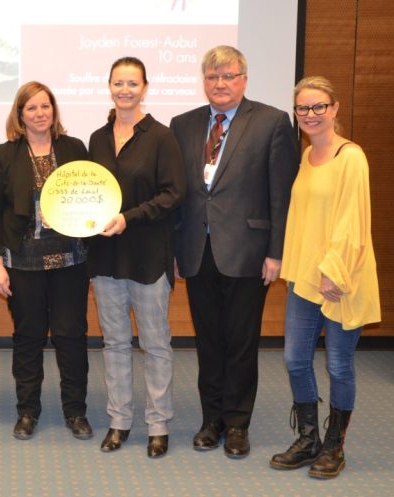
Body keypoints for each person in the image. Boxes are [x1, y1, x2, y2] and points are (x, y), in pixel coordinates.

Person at [169, 45, 298, 458]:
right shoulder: (183, 124)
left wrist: (276, 252)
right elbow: (177, 194)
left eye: (228, 76)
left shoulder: (271, 122)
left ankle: (238, 423)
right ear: (203, 81)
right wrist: (175, 249)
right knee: (208, 341)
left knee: (241, 341)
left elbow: (281, 194)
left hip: (249, 251)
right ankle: (212, 420)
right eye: (212, 77)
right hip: (196, 249)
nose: (220, 84)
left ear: (244, 79)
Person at [270, 76, 380, 479]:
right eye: (303, 108)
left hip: (340, 278)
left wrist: (333, 271)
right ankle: (308, 439)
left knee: (338, 365)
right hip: (305, 278)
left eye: (319, 106)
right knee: (295, 360)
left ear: (334, 109)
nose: (310, 114)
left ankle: (335, 446)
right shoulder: (305, 155)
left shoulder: (351, 157)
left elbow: (353, 221)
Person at [0, 81, 91, 441]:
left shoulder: (74, 148)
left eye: (45, 106)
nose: (40, 113)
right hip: (23, 261)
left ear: (54, 110)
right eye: (31, 108)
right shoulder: (4, 154)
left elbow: (92, 198)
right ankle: (27, 411)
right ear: (20, 114)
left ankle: (75, 411)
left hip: (70, 259)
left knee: (71, 336)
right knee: (28, 337)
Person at [88, 57, 185, 457]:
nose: (124, 90)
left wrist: (129, 218)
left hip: (147, 256)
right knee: (114, 343)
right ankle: (120, 421)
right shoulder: (97, 138)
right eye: (118, 83)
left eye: (132, 83)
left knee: (155, 343)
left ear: (144, 88)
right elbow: (92, 194)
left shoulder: (161, 136)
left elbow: (173, 194)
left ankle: (158, 424)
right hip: (105, 258)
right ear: (109, 86)